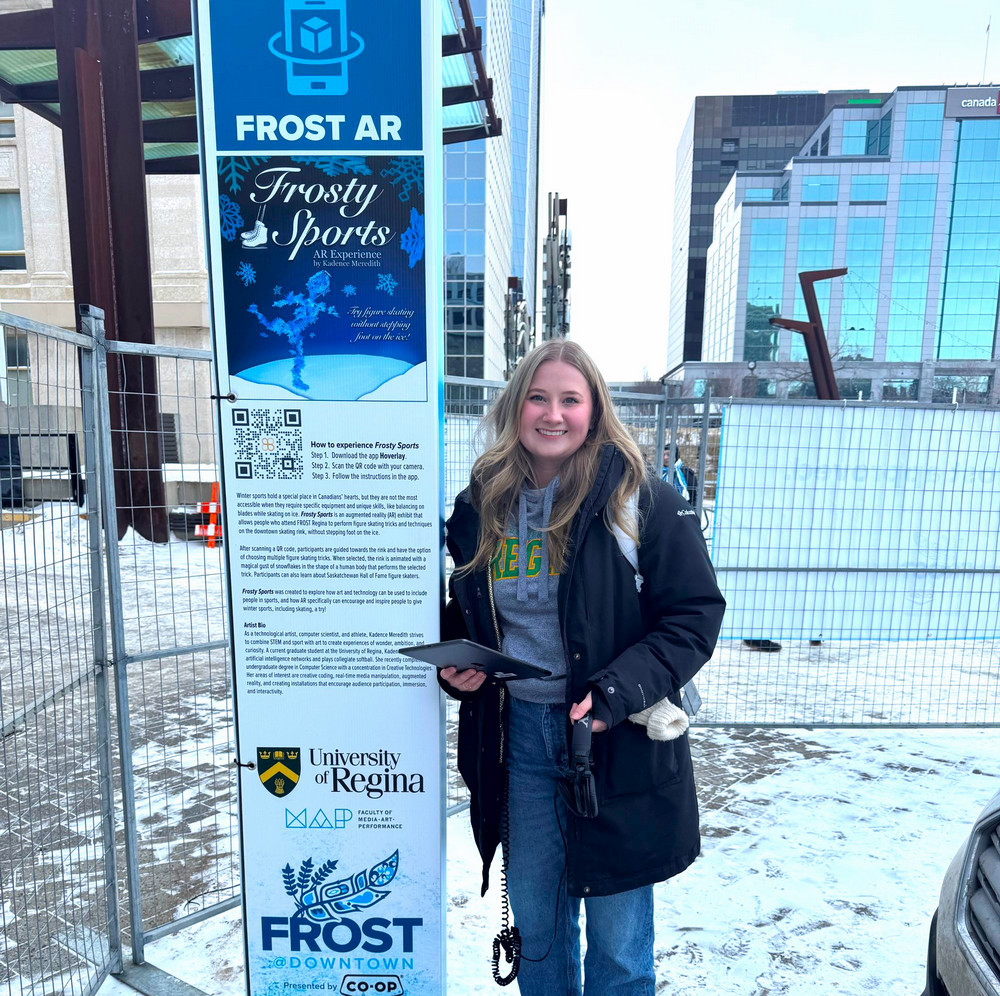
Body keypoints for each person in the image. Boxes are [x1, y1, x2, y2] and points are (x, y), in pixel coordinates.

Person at [439, 339, 726, 995]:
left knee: (620, 948)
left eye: (570, 399)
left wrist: (614, 693)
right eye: (538, 397)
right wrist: (460, 663)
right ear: (516, 407)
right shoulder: (482, 502)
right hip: (521, 741)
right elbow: (469, 607)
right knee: (539, 931)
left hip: (613, 740)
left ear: (594, 410)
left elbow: (694, 615)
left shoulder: (639, 499)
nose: (552, 414)